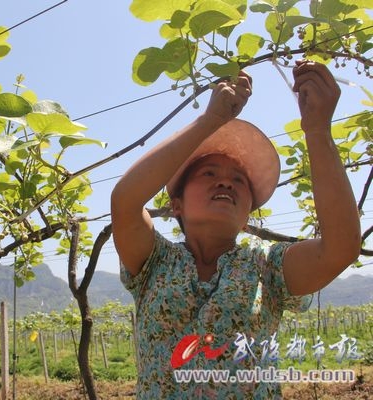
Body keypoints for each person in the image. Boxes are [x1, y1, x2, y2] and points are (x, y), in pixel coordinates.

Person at [111, 61, 361, 399]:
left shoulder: (267, 268)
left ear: (247, 216)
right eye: (209, 174)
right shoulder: (154, 261)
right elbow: (125, 202)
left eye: (239, 180)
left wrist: (317, 130)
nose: (226, 181)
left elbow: (340, 249)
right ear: (177, 205)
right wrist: (209, 121)